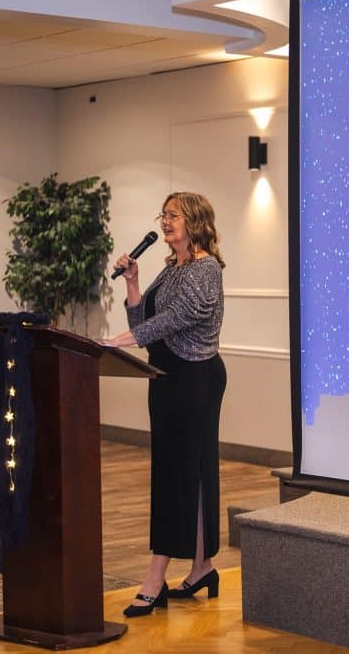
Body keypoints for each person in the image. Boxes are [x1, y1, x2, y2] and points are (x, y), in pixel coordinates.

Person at [102, 191, 227, 618]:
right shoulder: (171, 268)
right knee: (182, 471)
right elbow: (144, 323)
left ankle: (155, 579)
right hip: (167, 378)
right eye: (164, 215)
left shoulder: (205, 269)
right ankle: (202, 567)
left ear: (193, 221)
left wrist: (119, 341)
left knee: (182, 472)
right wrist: (134, 282)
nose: (166, 221)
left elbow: (176, 319)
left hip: (195, 379)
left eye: (173, 215)